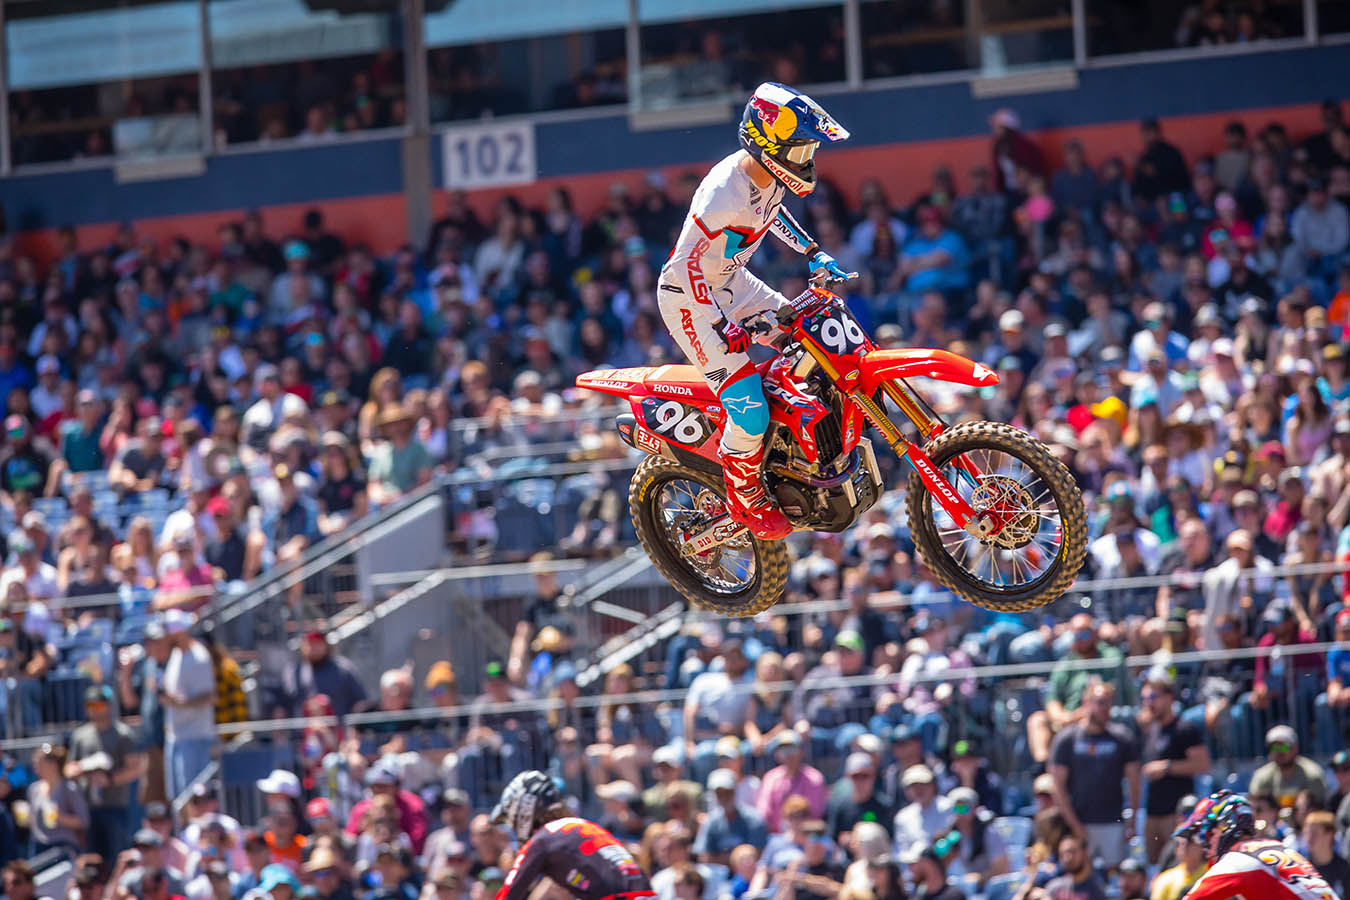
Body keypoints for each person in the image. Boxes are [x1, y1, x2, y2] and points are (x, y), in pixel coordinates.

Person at [658, 81, 851, 540]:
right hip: (691, 294)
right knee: (749, 410)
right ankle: (744, 493)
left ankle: (788, 452)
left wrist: (812, 252)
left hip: (732, 282)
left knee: (812, 338)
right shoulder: (723, 191)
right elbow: (687, 263)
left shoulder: (766, 176)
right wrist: (724, 324)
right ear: (768, 145)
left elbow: (771, 212)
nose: (807, 162)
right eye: (800, 151)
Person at [490, 770, 654, 900]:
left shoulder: (543, 839)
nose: (514, 827)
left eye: (513, 819)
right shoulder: (582, 827)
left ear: (525, 810)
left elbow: (509, 894)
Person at [1173, 790, 1342, 899]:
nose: (1203, 845)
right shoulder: (1278, 846)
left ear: (1224, 828)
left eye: (1203, 835)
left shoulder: (1237, 860)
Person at [1048, 681, 1140, 869]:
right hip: (1080, 823)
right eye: (1100, 702)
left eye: (1108, 703)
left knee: (1114, 874)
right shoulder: (1067, 739)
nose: (1105, 708)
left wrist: (1133, 820)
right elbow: (1058, 787)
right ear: (1086, 703)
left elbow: (1135, 783)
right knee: (1081, 873)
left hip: (1112, 822)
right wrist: (1074, 825)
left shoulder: (1122, 738)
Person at [66, 683, 147, 860]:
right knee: (90, 860)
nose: (95, 710)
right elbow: (69, 769)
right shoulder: (80, 736)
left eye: (99, 705)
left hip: (114, 807)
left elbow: (135, 768)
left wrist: (109, 780)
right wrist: (85, 769)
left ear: (109, 706)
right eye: (91, 705)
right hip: (87, 809)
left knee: (115, 856)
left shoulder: (122, 735)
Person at [1138, 673, 1210, 863]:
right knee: (1155, 868)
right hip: (1153, 814)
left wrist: (1166, 767)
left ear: (1169, 697)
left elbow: (1203, 764)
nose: (1148, 703)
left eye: (1152, 698)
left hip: (1176, 815)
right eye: (1144, 698)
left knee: (1178, 865)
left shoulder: (1184, 729)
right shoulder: (1151, 730)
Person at [1250, 725, 1329, 813]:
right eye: (1274, 747)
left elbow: (1321, 808)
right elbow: (1255, 808)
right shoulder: (1262, 777)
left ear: (1295, 748)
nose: (1279, 752)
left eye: (1283, 747)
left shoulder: (1312, 774)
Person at [1304, 811, 1350, 900]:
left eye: (1314, 832)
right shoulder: (1303, 870)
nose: (1309, 838)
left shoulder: (1345, 870)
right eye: (1306, 832)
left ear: (1329, 834)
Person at [1149, 833, 1208, 900]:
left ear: (1202, 846)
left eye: (1190, 841)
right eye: (1180, 843)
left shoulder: (1212, 873)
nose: (1184, 846)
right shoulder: (1164, 879)